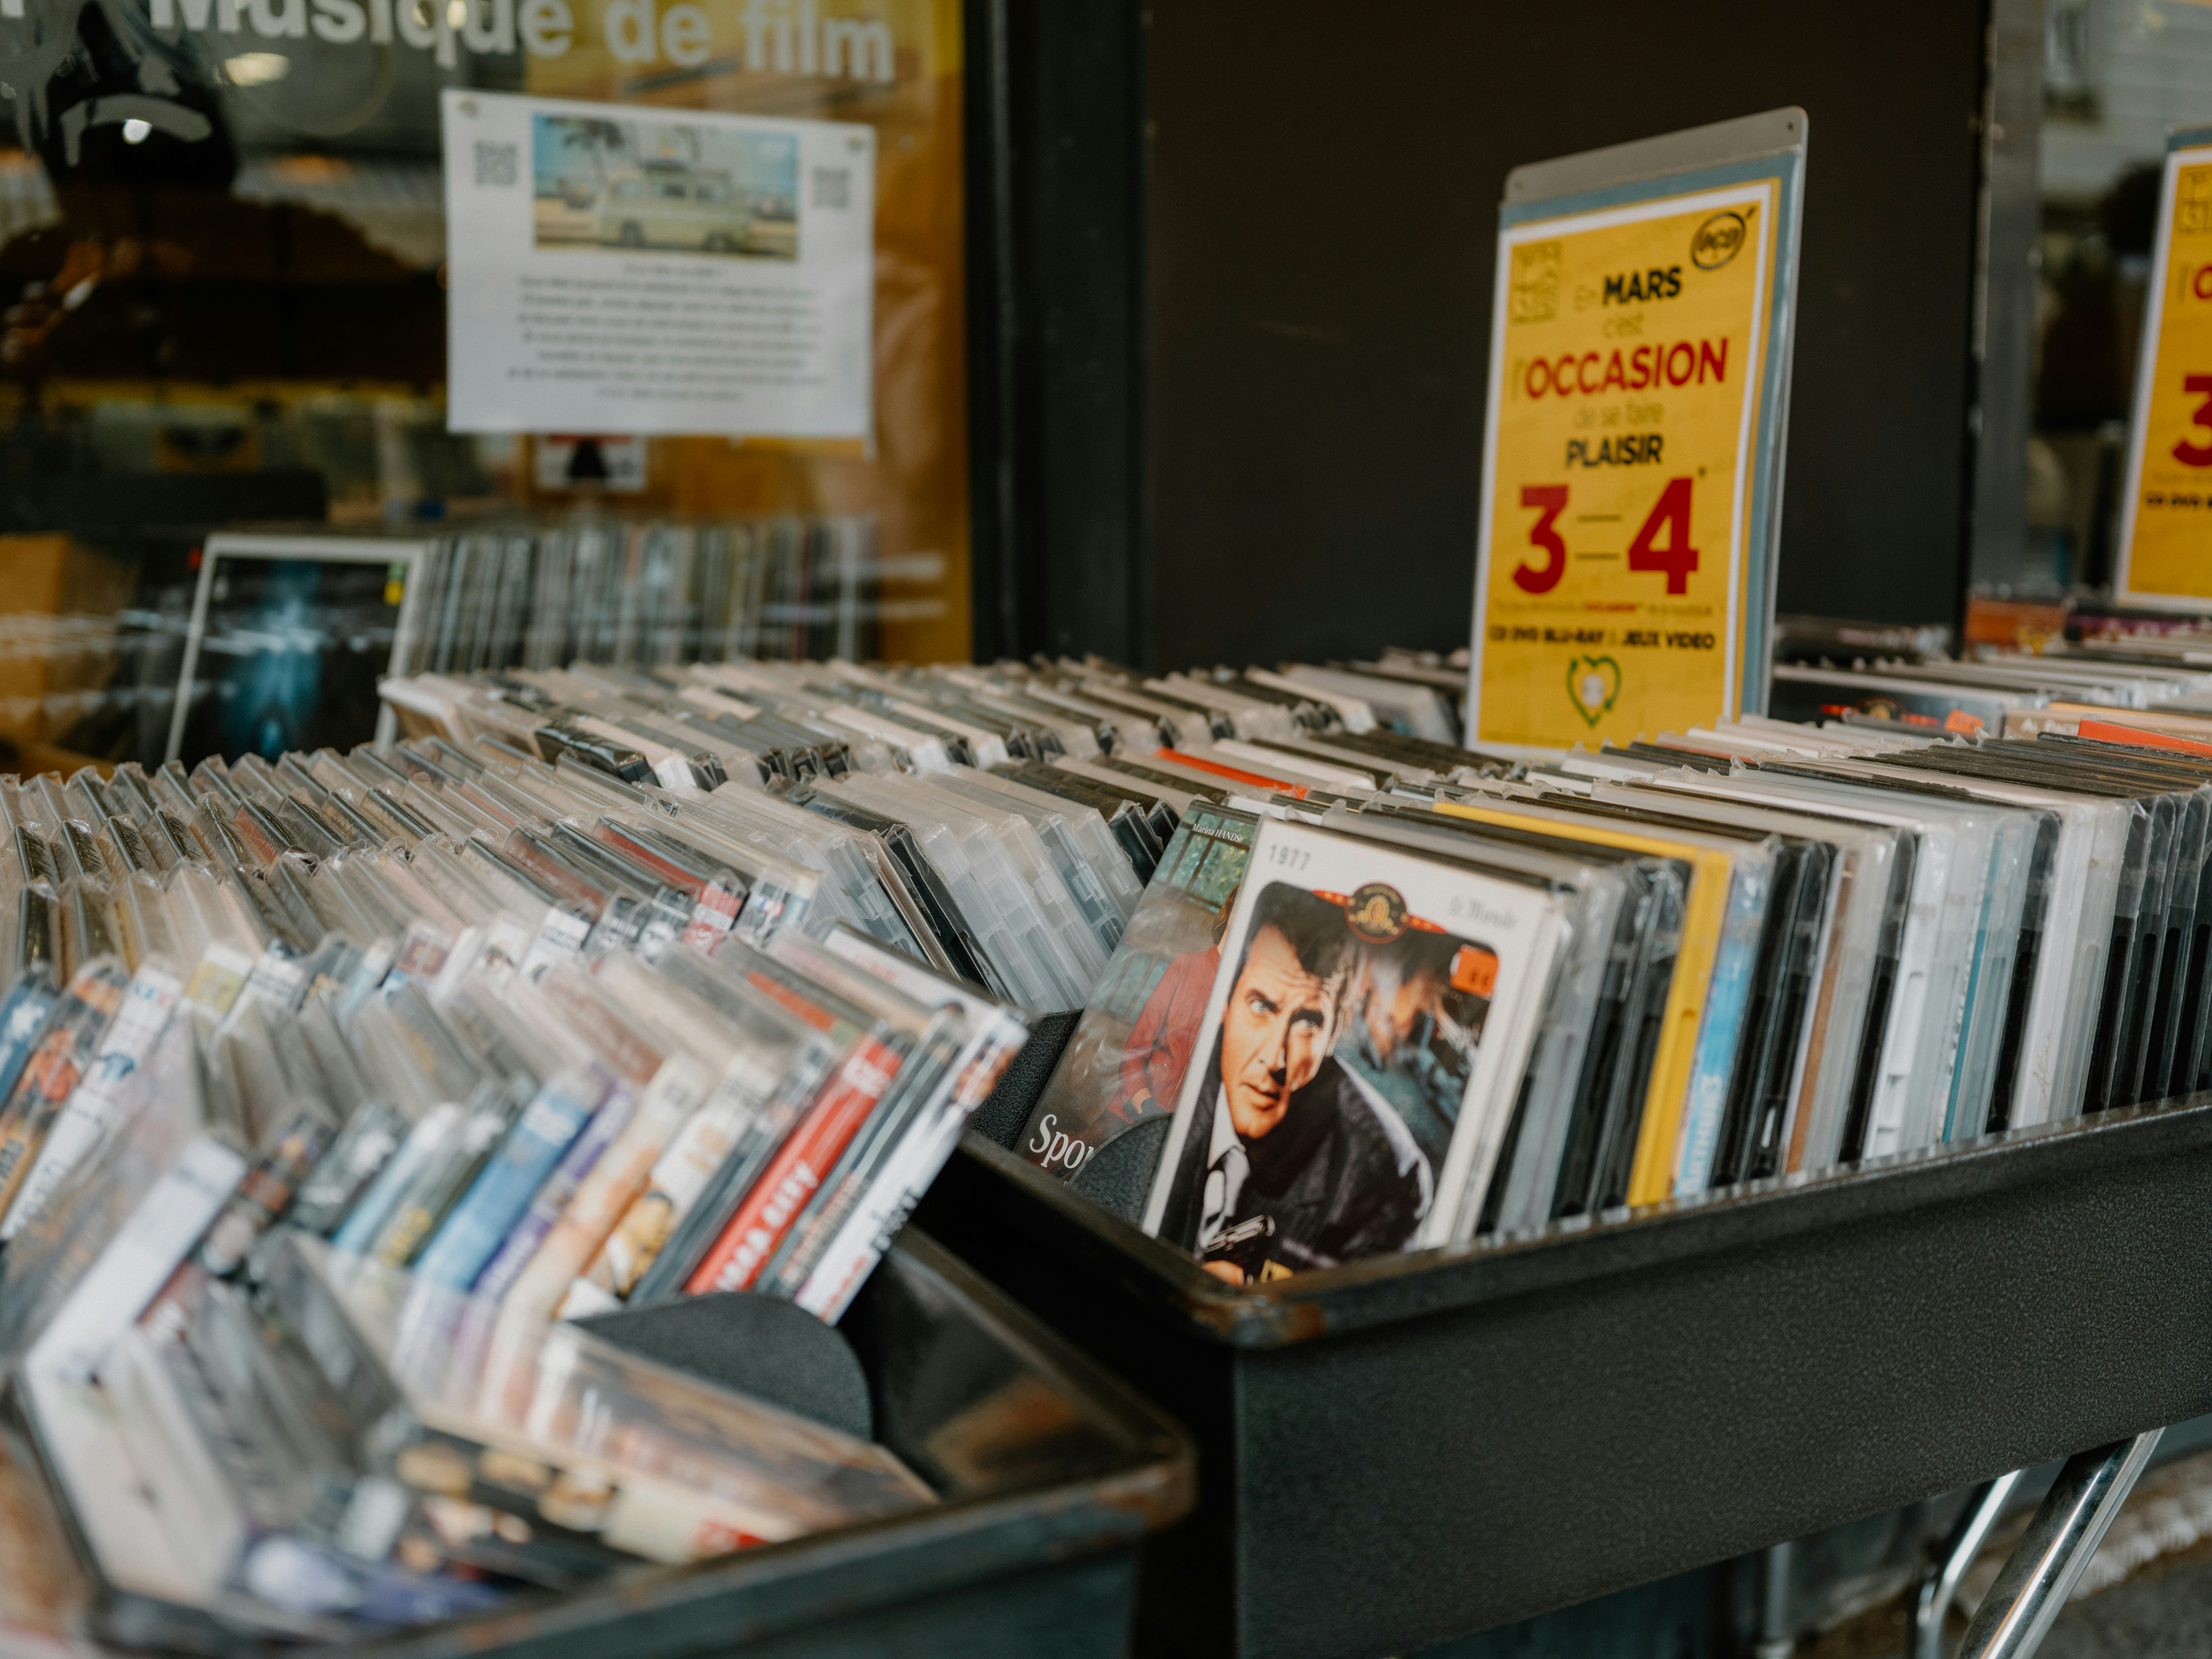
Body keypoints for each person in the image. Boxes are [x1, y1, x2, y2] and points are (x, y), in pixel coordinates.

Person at [1157, 883, 1432, 1283]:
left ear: (1335, 1031)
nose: (1276, 1059)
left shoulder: (1385, 1176)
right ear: (1226, 1001)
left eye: (1308, 1023)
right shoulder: (1178, 1071)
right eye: (1261, 1007)